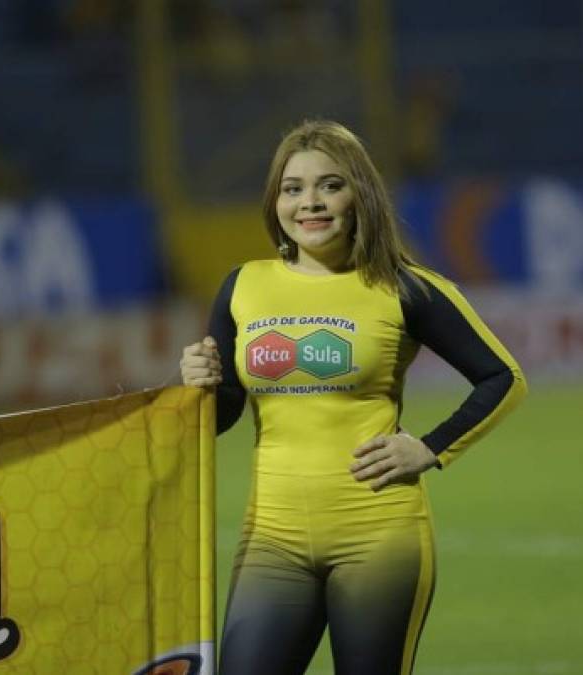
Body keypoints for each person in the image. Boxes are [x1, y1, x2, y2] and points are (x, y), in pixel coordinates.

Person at [180, 120, 526, 675]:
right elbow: (221, 415)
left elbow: (503, 377)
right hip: (271, 540)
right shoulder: (242, 285)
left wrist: (431, 448)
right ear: (275, 203)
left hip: (378, 537)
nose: (310, 203)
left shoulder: (404, 286)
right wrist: (197, 388)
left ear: (359, 195)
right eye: (293, 189)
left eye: (330, 185)